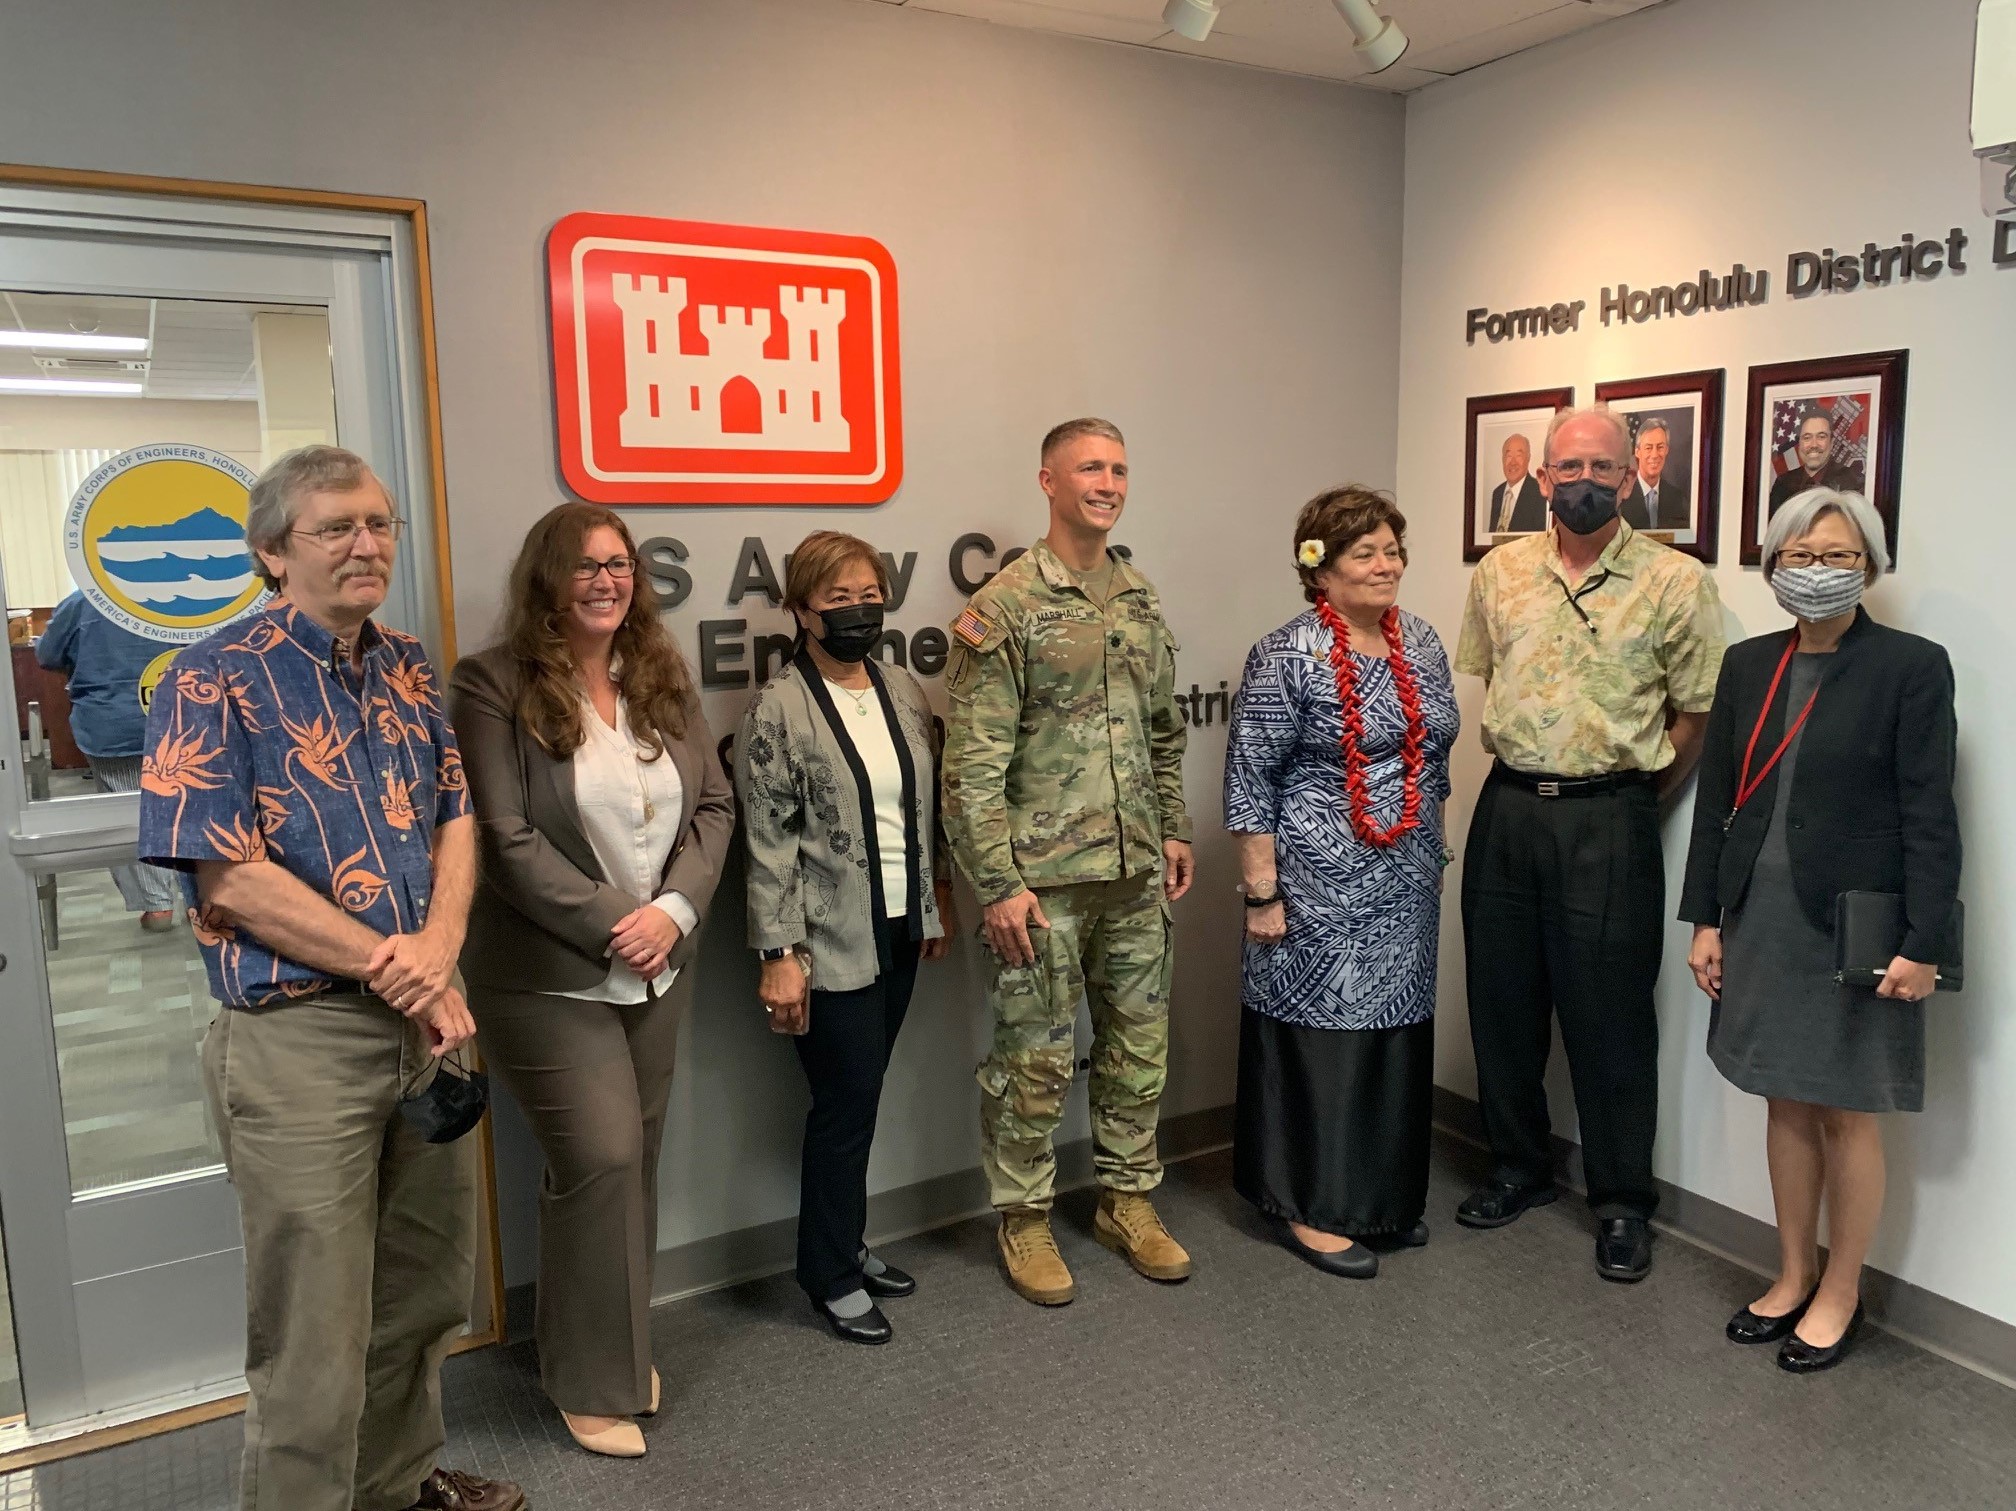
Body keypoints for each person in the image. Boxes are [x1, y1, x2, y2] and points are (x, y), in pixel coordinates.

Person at [137, 445, 522, 1511]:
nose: (368, 543)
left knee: (421, 1296)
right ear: (271, 551)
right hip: (300, 1041)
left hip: (425, 1028)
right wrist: (399, 968)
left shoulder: (401, 662)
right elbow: (227, 871)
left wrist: (439, 947)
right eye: (337, 527)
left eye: (380, 523)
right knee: (312, 1338)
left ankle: (396, 1488)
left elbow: (454, 811)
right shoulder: (209, 675)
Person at [447, 503, 733, 1457]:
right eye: (585, 566)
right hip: (547, 972)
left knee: (630, 1166)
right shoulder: (491, 683)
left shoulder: (657, 672)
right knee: (601, 1156)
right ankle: (587, 1379)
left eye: (620, 565)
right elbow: (507, 838)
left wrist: (675, 913)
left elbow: (716, 806)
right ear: (547, 579)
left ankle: (607, 1344)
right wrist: (623, 921)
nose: (607, 580)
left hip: (660, 961)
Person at [1680, 488, 1957, 1373]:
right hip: (1758, 915)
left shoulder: (1911, 666)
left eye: (1838, 555)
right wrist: (1703, 920)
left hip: (1854, 926)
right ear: (1772, 566)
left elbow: (1930, 814)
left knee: (1848, 1112)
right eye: (1799, 556)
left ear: (1870, 565)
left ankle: (1843, 1288)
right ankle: (1793, 1271)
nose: (1818, 571)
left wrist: (1926, 943)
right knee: (1783, 1099)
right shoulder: (1749, 663)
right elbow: (1717, 799)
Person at [1454, 405, 1726, 1282]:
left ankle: (1619, 1201)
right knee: (1501, 1002)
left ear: (1626, 479)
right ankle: (1518, 1166)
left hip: (1613, 815)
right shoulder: (1499, 574)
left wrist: (1635, 797)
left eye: (1602, 470)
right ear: (1541, 477)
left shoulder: (1676, 582)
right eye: (1566, 468)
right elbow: (1492, 678)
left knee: (1610, 1020)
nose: (1582, 483)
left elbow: (1697, 714)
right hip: (1507, 809)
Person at [941, 416, 1194, 1307]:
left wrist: (1173, 826)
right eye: (1090, 466)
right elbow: (970, 766)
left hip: (1132, 876)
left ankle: (1126, 1200)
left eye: (1120, 467)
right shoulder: (1006, 607)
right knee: (1035, 1060)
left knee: (1136, 1048)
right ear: (1047, 480)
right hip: (1043, 885)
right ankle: (1025, 1216)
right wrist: (999, 884)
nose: (1109, 481)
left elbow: (1163, 731)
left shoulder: (1138, 597)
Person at [1223, 488, 1459, 1279]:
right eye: (1367, 551)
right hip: (1316, 884)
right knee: (1321, 1036)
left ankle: (1380, 1199)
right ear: (1318, 567)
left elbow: (1437, 752)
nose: (1387, 563)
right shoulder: (1287, 654)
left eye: (1394, 548)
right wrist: (1263, 893)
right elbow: (1251, 778)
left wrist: (1434, 842)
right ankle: (1310, 1207)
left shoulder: (1419, 641)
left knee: (1392, 1036)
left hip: (1407, 878)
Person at [735, 530, 958, 1346]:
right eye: (838, 598)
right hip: (825, 944)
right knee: (843, 1106)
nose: (859, 609)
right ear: (801, 609)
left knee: (860, 1104)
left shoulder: (901, 688)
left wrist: (934, 899)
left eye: (870, 594)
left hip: (899, 929)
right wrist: (779, 955)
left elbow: (919, 811)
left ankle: (847, 1245)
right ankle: (827, 1272)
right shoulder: (778, 707)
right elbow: (767, 841)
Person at [36, 591, 184, 929]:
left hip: (115, 724)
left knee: (131, 813)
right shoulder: (200, 598)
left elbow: (48, 655)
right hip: (189, 718)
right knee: (194, 807)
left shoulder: (83, 602)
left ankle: (157, 904)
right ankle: (202, 897)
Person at [1767, 409, 1865, 514]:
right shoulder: (1782, 484)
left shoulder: (1854, 483)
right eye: (1807, 437)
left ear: (1831, 443)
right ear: (1799, 443)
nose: (1814, 445)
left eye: (1821, 437)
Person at [1619, 418, 1689, 531]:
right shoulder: (1621, 497)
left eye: (1660, 447)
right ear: (1637, 452)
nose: (1655, 454)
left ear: (1667, 450)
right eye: (1648, 448)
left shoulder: (1676, 497)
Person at [1488, 433, 1545, 534]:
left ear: (1528, 458)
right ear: (1502, 459)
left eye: (1519, 456)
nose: (1513, 462)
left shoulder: (1539, 492)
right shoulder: (1497, 493)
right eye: (1509, 456)